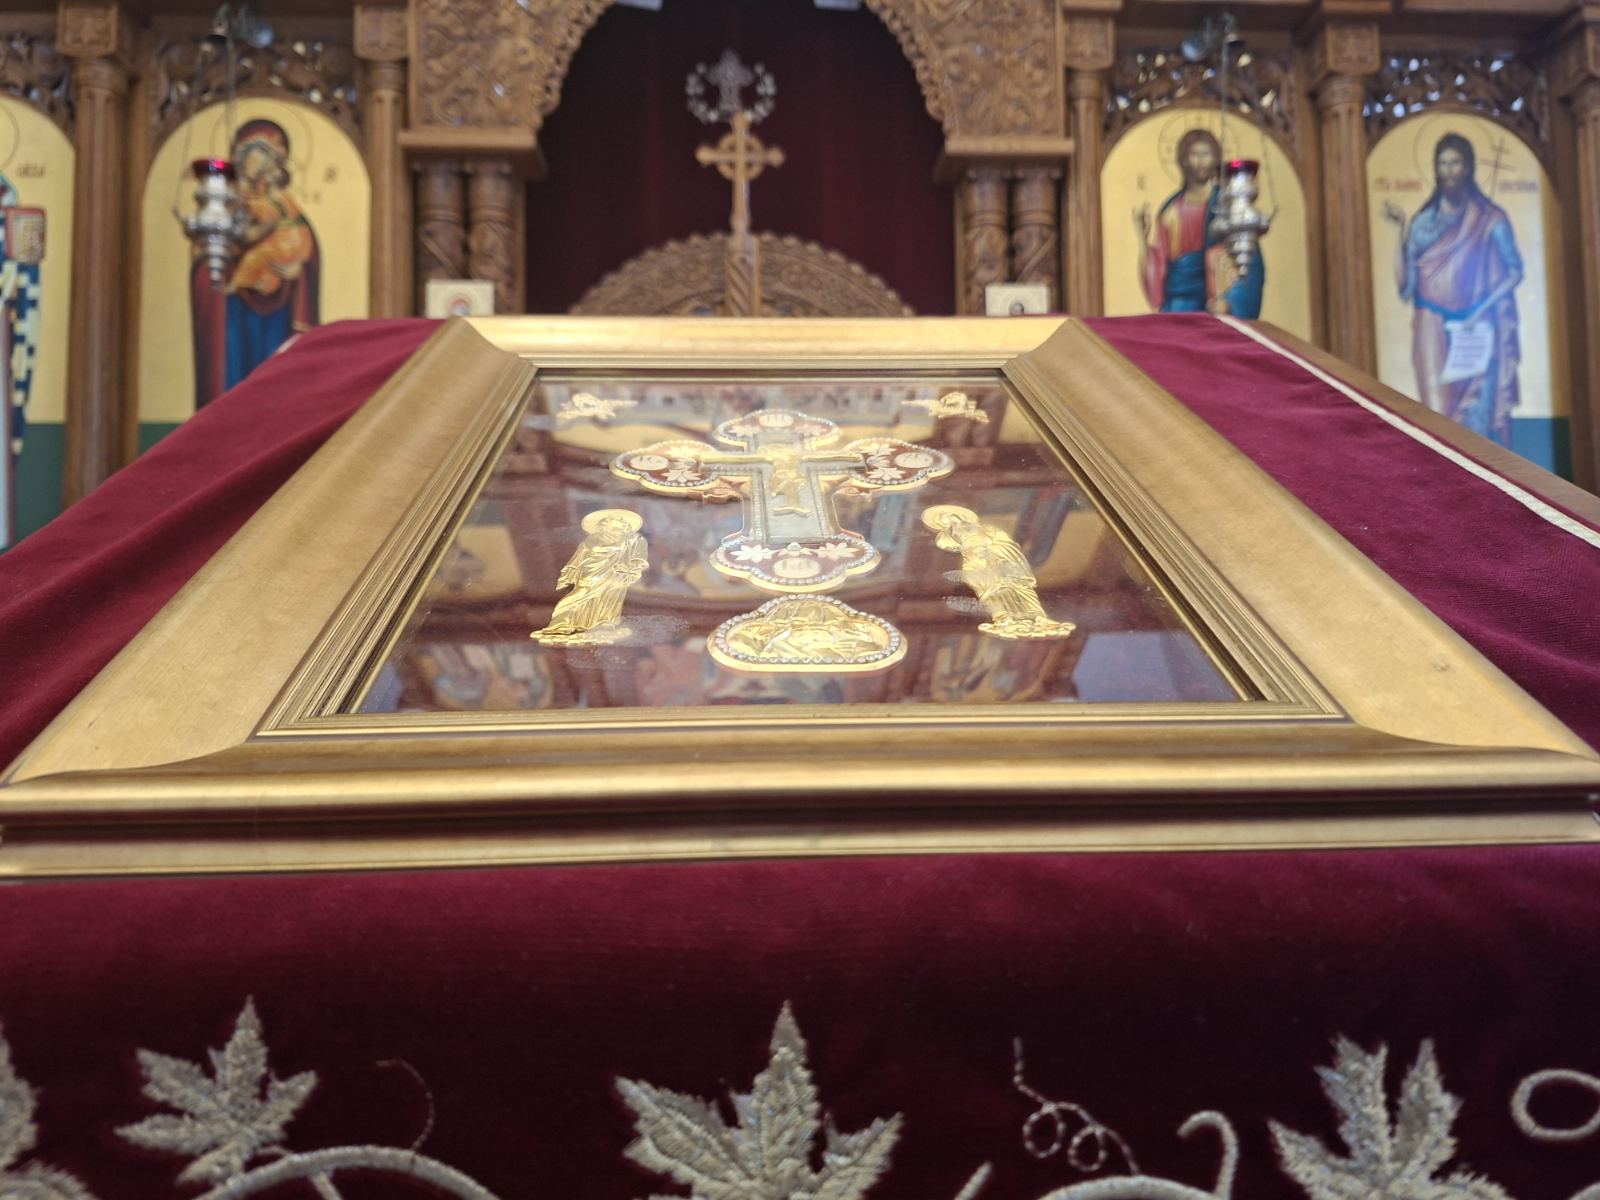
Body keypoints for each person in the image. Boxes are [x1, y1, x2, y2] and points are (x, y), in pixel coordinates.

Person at [1382, 132, 1523, 446]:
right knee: (1436, 419)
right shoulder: (1423, 223)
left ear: (1468, 167)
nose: (1449, 171)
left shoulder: (1490, 219)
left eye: (1455, 163)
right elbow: (1406, 286)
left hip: (1475, 328)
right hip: (1431, 328)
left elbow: (1514, 272)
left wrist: (1480, 311)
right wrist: (1400, 230)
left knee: (1477, 419)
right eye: (1443, 164)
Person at [190, 119, 320, 408]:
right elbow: (207, 259)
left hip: (280, 309)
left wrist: (295, 267)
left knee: (275, 376)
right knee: (235, 366)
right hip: (233, 309)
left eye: (264, 164)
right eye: (251, 163)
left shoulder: (283, 206)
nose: (259, 172)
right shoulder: (232, 207)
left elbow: (307, 253)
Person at [1134, 128, 1264, 318]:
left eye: (1206, 154)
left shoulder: (1229, 204)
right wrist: (1142, 238)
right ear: (1184, 160)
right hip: (1176, 306)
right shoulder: (1170, 210)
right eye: (1194, 154)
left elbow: (1249, 261)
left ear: (1215, 158)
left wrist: (1230, 303)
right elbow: (1159, 265)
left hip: (1214, 305)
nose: (1201, 161)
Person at [532, 510, 649, 645]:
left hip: (617, 574)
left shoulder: (634, 539)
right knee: (581, 594)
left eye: (624, 522)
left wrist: (631, 568)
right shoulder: (593, 539)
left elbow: (638, 558)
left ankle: (603, 623)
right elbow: (580, 556)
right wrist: (570, 572)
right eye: (617, 520)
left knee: (610, 596)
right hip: (591, 571)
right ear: (605, 524)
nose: (623, 522)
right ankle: (560, 622)